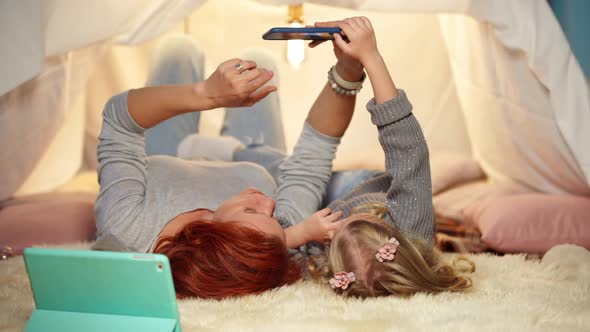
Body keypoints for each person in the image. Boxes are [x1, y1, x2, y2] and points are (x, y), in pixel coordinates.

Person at [93, 33, 379, 299]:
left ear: (205, 233)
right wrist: (348, 70)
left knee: (178, 49)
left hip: (164, 155)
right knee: (260, 60)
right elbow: (312, 158)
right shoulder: (272, 242)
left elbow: (119, 120)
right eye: (271, 214)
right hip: (245, 159)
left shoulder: (128, 228)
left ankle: (203, 142)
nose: (268, 201)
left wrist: (206, 94)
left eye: (250, 210)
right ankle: (233, 148)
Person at [304, 17, 473, 298]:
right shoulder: (412, 229)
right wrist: (371, 57)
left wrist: (302, 234)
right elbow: (407, 149)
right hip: (370, 187)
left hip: (329, 202)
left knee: (291, 173)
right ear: (394, 234)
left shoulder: (318, 257)